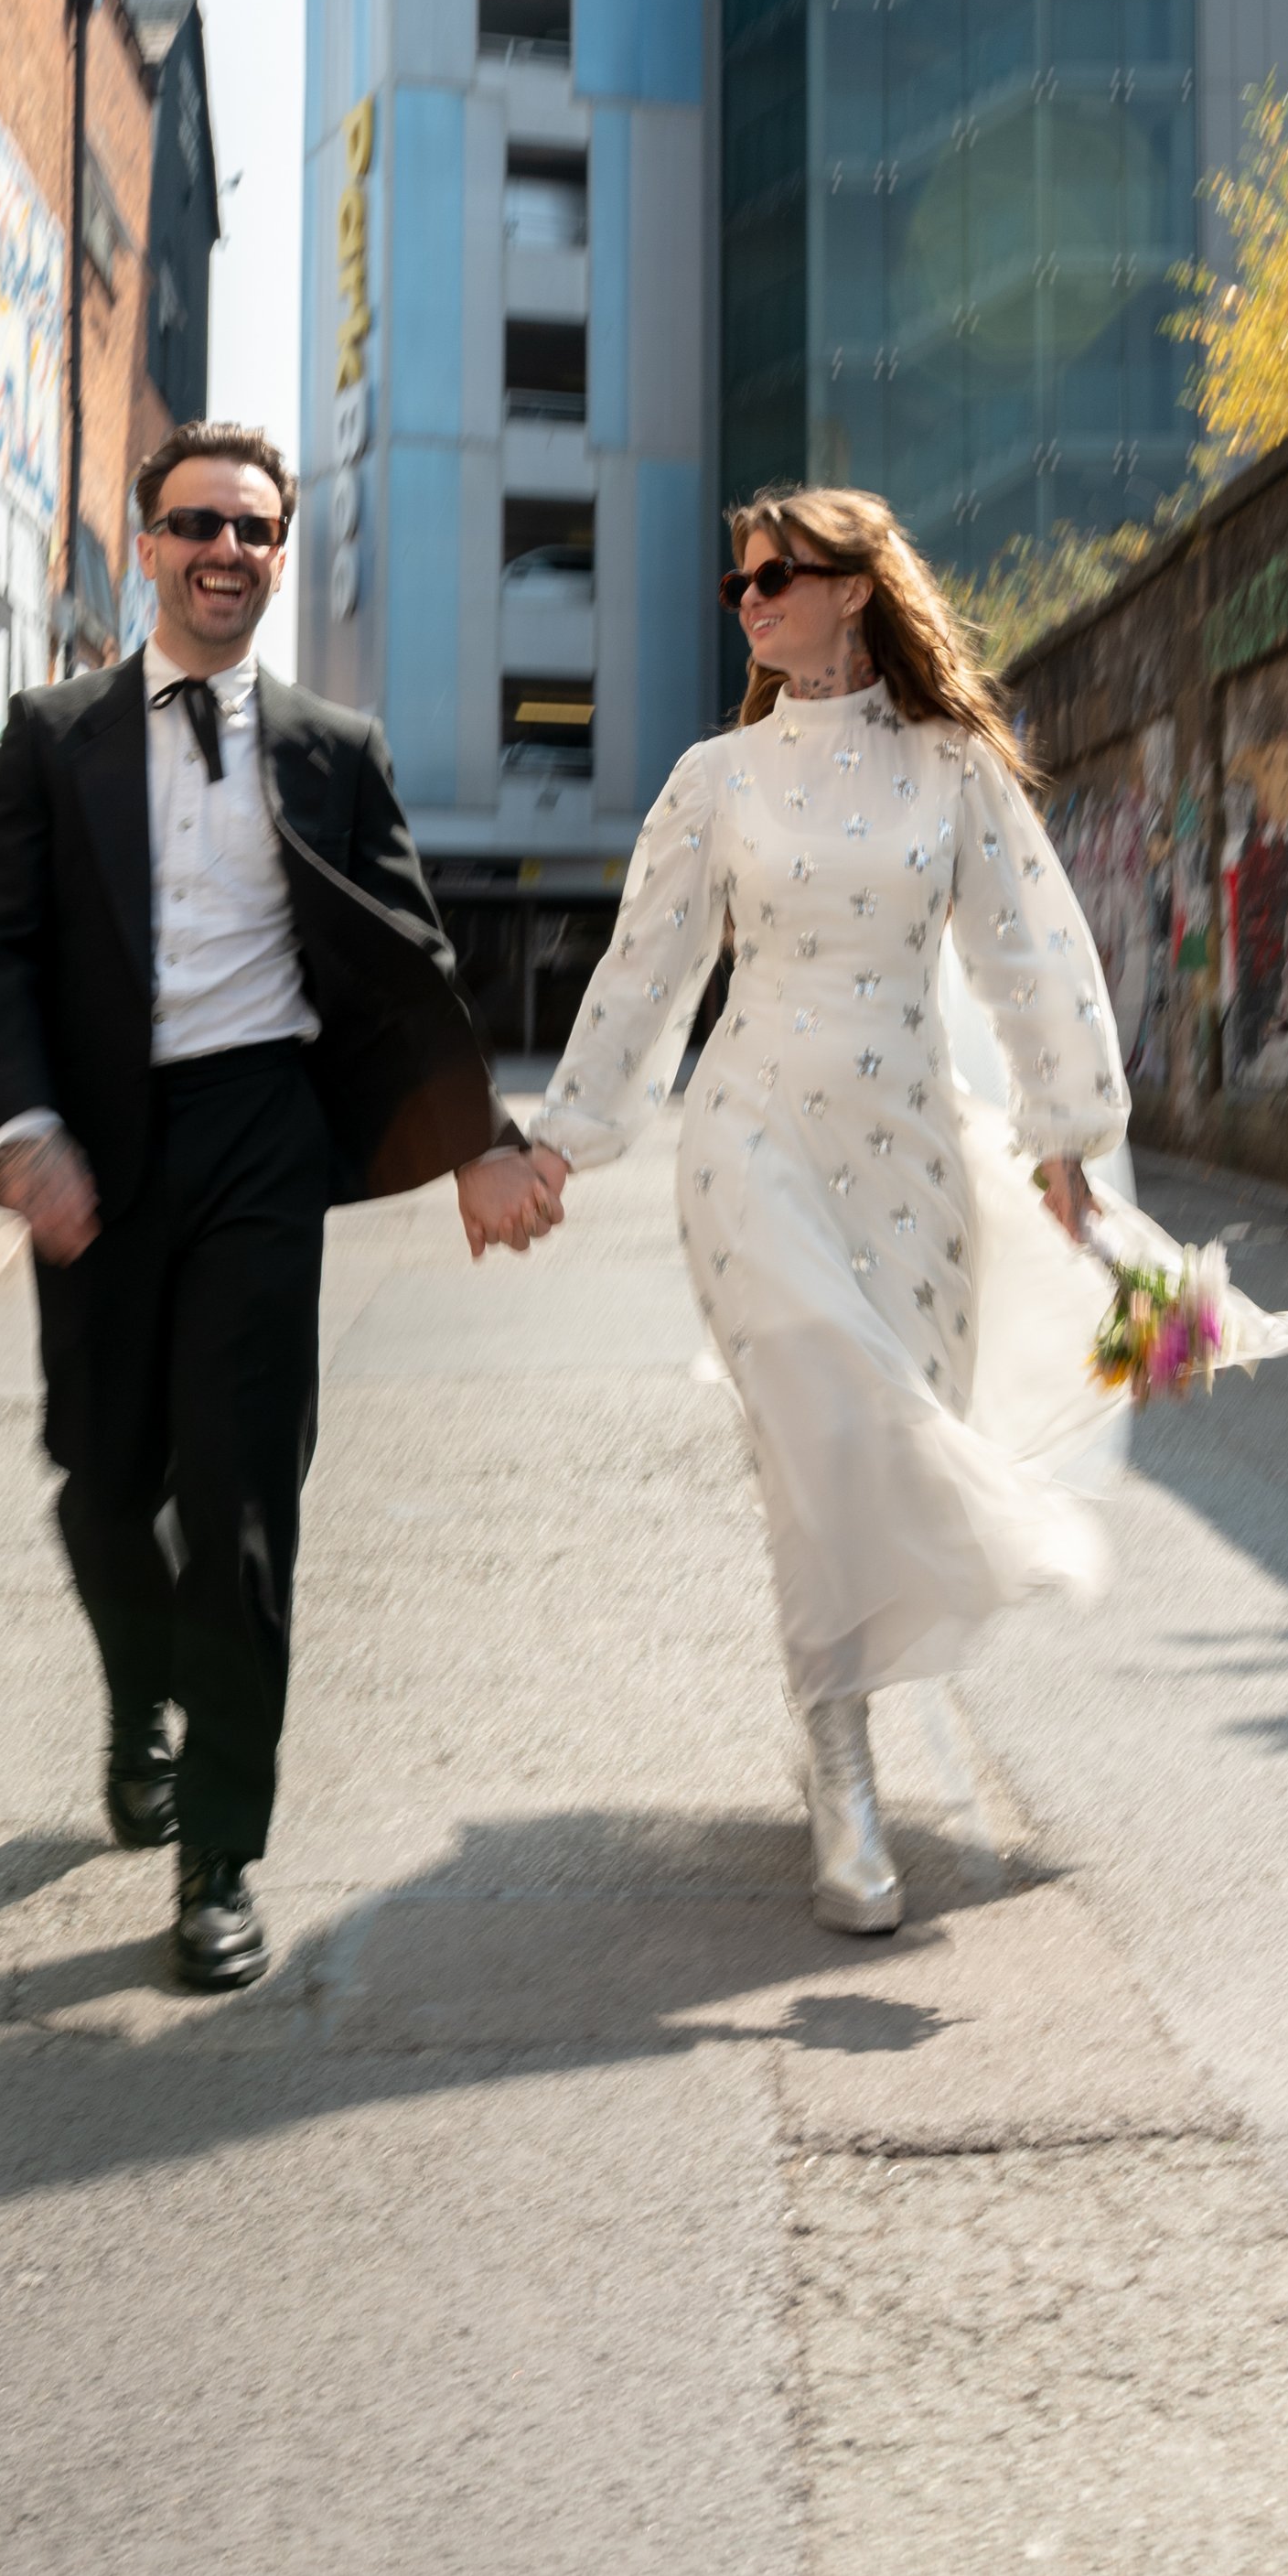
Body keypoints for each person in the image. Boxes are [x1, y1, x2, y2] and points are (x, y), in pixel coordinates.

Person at [0, 420, 559, 1992]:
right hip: (93, 1146)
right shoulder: (50, 734)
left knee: (238, 1506)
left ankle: (219, 1853)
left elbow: (410, 959)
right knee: (102, 1484)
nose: (228, 549)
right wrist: (23, 1127)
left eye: (256, 529)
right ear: (150, 542)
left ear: (280, 556)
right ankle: (138, 1695)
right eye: (199, 523)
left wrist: (478, 1140)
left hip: (261, 1138)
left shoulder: (336, 747)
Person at [521, 486, 1132, 1935]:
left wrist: (1065, 1132)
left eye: (777, 576)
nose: (751, 601)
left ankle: (840, 1715)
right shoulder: (716, 778)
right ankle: (841, 1762)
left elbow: (1033, 950)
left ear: (855, 587)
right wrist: (561, 1141)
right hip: (748, 1138)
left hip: (910, 1151)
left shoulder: (954, 769)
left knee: (872, 1437)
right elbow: (646, 970)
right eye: (740, 584)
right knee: (818, 1397)